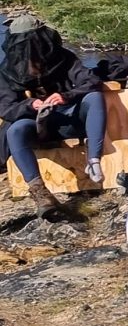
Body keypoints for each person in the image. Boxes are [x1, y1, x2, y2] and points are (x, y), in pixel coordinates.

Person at [0, 15, 106, 218]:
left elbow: (91, 81)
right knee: (14, 130)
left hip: (69, 119)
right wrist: (31, 104)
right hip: (37, 125)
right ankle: (40, 193)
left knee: (94, 98)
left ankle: (94, 160)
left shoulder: (63, 58)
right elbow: (6, 108)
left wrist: (65, 96)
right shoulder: (7, 71)